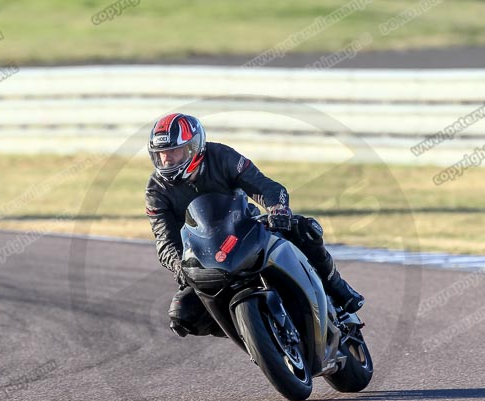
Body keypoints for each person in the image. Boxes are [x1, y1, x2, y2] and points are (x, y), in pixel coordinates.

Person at [144, 113, 364, 338]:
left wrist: (278, 209)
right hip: (203, 255)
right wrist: (178, 265)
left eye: (174, 151)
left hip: (244, 229)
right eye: (161, 154)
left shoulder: (221, 156)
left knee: (304, 229)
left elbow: (263, 185)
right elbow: (164, 239)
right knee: (182, 314)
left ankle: (337, 288)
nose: (166, 159)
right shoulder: (155, 190)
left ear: (193, 148)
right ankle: (253, 335)